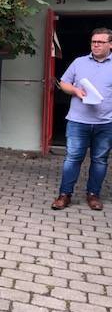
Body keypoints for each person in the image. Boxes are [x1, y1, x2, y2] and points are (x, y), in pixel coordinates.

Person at [51, 28, 112, 211]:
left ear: (110, 44)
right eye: (93, 42)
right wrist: (76, 91)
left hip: (106, 122)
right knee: (72, 158)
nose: (96, 45)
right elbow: (63, 83)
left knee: (100, 160)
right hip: (78, 121)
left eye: (100, 42)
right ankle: (65, 195)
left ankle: (93, 195)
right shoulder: (79, 62)